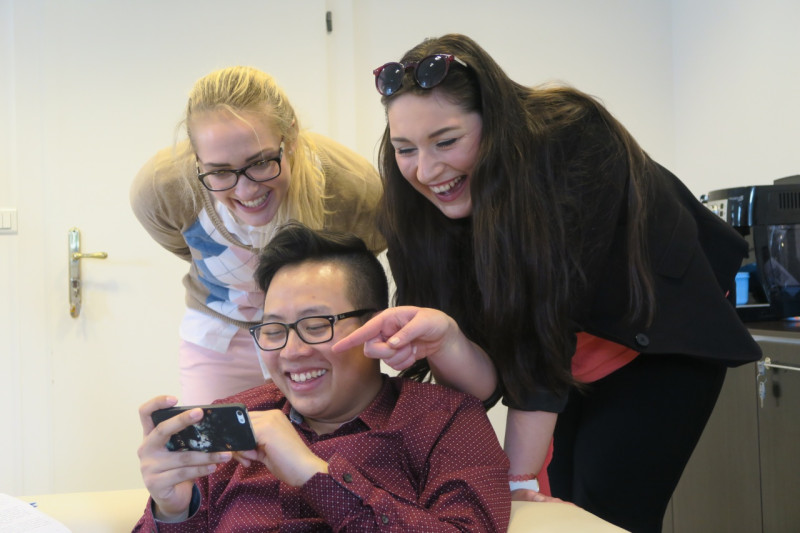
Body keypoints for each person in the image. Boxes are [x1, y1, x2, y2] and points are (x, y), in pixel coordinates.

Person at [333, 34, 762, 532]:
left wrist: (514, 482)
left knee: (604, 513)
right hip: (569, 354)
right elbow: (488, 383)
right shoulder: (417, 206)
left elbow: (543, 331)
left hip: (658, 337)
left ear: (494, 123)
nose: (427, 171)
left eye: (447, 142)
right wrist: (448, 341)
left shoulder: (573, 137)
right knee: (559, 505)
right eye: (405, 149)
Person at [133, 223, 511, 532]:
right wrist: (174, 512)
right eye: (274, 330)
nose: (291, 351)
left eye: (315, 326)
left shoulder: (444, 420)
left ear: (375, 326)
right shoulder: (234, 419)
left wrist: (314, 474)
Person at [130, 66, 385, 404]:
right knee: (221, 437)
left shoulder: (352, 188)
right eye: (220, 172)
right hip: (220, 335)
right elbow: (183, 245)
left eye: (261, 162)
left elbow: (362, 265)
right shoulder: (162, 188)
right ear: (197, 159)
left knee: (332, 434)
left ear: (290, 136)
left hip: (319, 336)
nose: (246, 190)